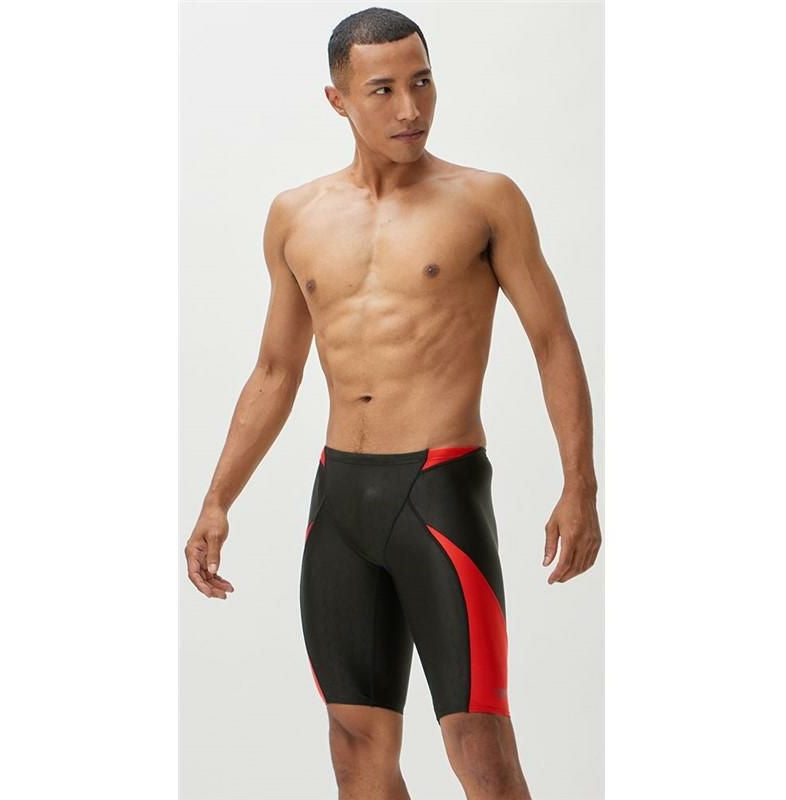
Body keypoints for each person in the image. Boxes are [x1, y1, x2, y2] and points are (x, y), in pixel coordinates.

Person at [184, 7, 602, 799]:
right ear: (338, 100)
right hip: (340, 499)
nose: (410, 108)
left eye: (423, 82)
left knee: (479, 747)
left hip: (439, 490)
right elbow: (275, 369)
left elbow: (553, 341)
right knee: (356, 751)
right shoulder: (296, 216)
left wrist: (579, 485)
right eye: (383, 90)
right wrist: (217, 499)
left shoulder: (485, 201)